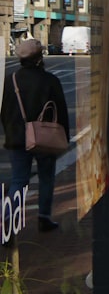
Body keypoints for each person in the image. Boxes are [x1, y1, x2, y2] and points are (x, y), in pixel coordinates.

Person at [0, 38, 70, 232]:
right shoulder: (50, 80)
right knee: (46, 177)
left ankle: (8, 219)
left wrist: (10, 131)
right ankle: (43, 217)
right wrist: (64, 137)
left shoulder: (10, 80)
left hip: (16, 138)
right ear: (39, 58)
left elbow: (3, 110)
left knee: (18, 180)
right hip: (45, 137)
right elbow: (61, 112)